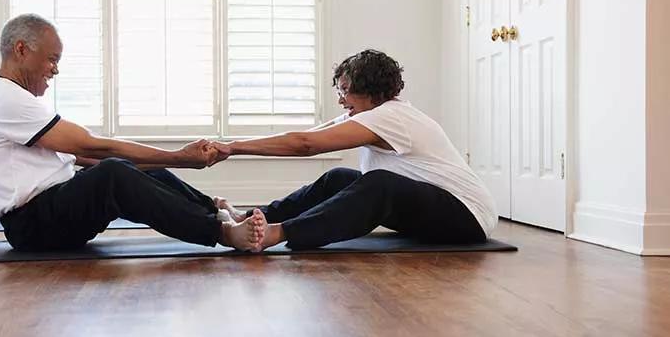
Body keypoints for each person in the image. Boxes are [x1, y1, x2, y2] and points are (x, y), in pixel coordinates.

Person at [0, 13, 263, 251]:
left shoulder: (9, 98)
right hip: (34, 226)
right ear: (21, 50)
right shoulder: (4, 99)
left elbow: (78, 156)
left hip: (52, 209)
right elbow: (92, 148)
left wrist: (158, 163)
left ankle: (218, 210)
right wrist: (180, 157)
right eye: (52, 59)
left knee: (132, 169)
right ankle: (222, 233)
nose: (55, 69)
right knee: (113, 173)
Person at [210, 49, 498, 252]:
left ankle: (278, 232)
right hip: (435, 215)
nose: (340, 100)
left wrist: (232, 148)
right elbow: (307, 137)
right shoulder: (369, 116)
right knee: (339, 178)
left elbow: (305, 145)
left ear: (370, 89)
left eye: (345, 90)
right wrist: (235, 144)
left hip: (467, 218)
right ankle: (250, 218)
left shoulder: (391, 116)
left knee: (379, 183)